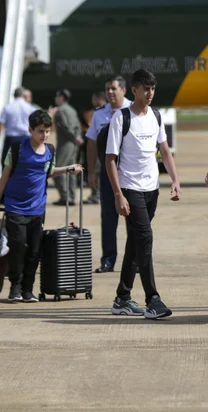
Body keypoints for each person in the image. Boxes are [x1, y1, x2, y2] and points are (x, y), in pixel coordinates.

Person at [105, 69, 180, 319]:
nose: (149, 93)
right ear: (134, 90)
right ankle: (153, 300)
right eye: (145, 89)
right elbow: (110, 160)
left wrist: (175, 180)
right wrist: (118, 194)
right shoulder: (121, 118)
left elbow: (165, 151)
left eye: (152, 89)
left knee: (136, 244)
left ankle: (122, 298)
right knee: (145, 239)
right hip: (130, 188)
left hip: (152, 189)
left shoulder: (156, 116)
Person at [0, 110, 83, 302]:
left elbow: (48, 172)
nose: (45, 135)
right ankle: (15, 286)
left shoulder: (50, 151)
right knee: (18, 246)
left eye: (47, 131)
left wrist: (68, 169)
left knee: (34, 251)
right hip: (15, 206)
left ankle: (27, 290)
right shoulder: (17, 149)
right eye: (40, 131)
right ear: (30, 130)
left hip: (37, 208)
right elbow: (5, 176)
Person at [85, 76, 132, 273]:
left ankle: (134, 261)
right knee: (108, 218)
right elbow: (92, 143)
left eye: (113, 88)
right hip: (107, 174)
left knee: (135, 219)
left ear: (124, 90)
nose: (110, 92)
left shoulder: (133, 110)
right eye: (107, 89)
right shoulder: (99, 114)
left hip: (131, 173)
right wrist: (91, 172)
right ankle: (108, 260)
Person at [53, 89, 82, 206]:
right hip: (74, 144)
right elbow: (78, 126)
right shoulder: (72, 110)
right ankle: (72, 197)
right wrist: (78, 137)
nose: (55, 98)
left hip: (65, 143)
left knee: (58, 170)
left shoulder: (60, 111)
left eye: (57, 96)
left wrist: (75, 137)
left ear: (62, 98)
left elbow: (65, 127)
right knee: (71, 170)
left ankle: (65, 197)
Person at [0, 87, 36, 167]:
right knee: (24, 165)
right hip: (25, 138)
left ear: (14, 96)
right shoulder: (30, 108)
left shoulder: (7, 108)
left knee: (7, 165)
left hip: (11, 139)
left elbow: (1, 126)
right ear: (23, 95)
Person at [82, 92, 106, 204]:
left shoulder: (98, 113)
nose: (92, 101)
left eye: (94, 99)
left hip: (98, 148)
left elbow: (91, 128)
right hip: (102, 148)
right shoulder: (105, 111)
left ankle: (96, 194)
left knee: (96, 172)